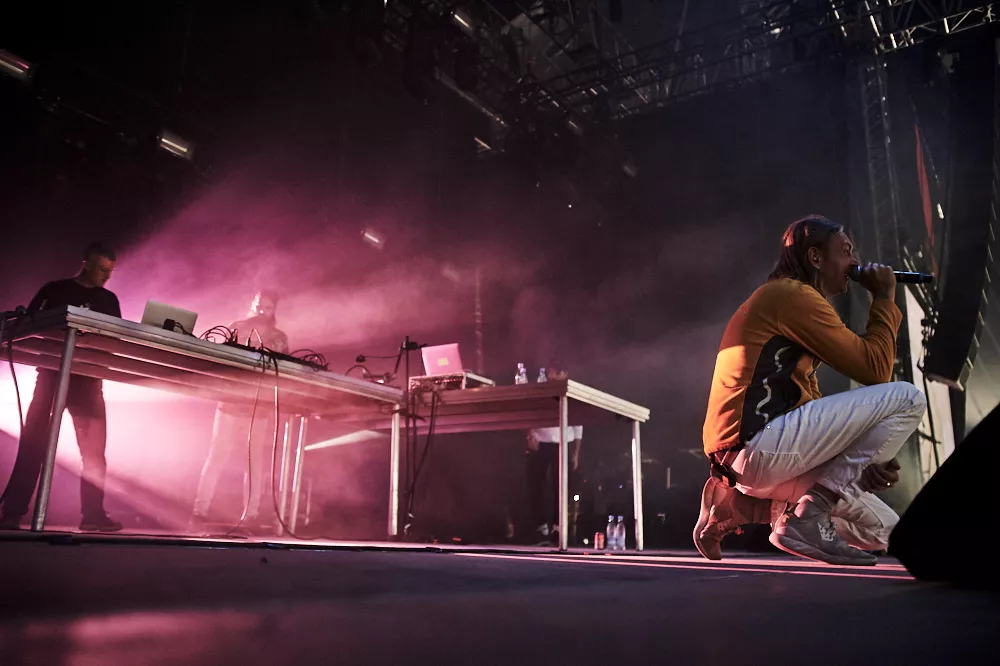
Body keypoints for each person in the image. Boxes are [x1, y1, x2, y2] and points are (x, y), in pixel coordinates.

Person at [695, 215, 927, 566]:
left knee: (885, 530)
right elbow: (877, 371)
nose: (853, 261)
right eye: (845, 251)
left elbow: (809, 408)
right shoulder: (791, 295)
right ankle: (810, 512)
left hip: (757, 458)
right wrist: (883, 297)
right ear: (815, 257)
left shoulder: (795, 303)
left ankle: (740, 507)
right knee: (908, 398)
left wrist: (867, 460)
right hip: (757, 444)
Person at [0, 242, 123, 532]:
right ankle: (12, 513)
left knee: (94, 453)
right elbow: (28, 327)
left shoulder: (109, 299)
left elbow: (116, 338)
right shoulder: (54, 290)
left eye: (110, 271)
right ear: (86, 264)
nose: (106, 276)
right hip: (51, 377)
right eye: (102, 269)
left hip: (88, 382)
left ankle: (93, 516)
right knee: (33, 446)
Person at [190, 290, 289, 534]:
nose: (262, 311)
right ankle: (199, 511)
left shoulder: (278, 337)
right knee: (217, 456)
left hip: (259, 406)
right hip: (231, 402)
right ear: (252, 305)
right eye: (259, 306)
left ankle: (250, 516)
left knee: (254, 462)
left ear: (274, 310)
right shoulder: (237, 327)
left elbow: (283, 369)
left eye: (267, 307)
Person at [525, 362, 582, 545]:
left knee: (561, 488)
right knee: (535, 486)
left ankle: (558, 527)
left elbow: (578, 426)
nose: (556, 376)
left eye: (561, 372)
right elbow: (528, 414)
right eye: (554, 372)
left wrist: (575, 454)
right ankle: (540, 528)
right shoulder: (539, 390)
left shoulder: (571, 393)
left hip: (563, 443)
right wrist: (529, 435)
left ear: (566, 374)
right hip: (539, 442)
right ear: (548, 373)